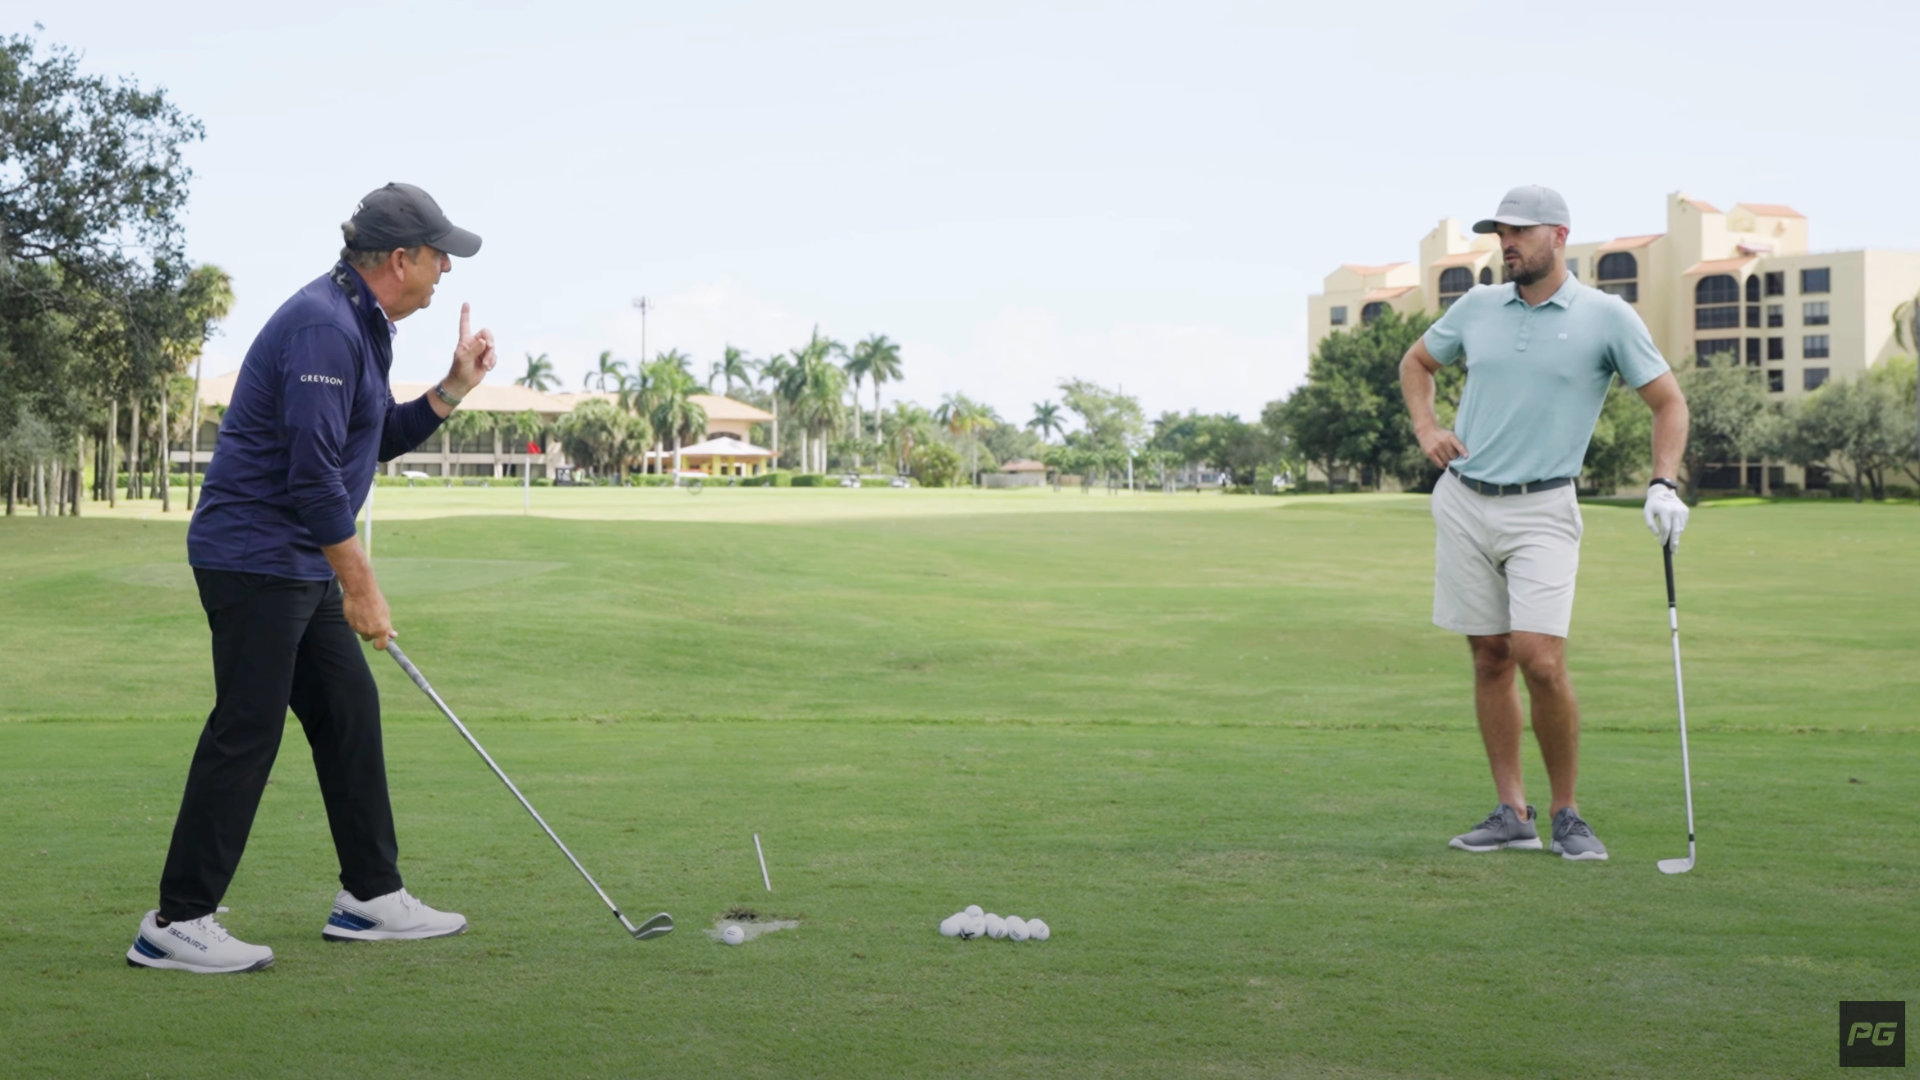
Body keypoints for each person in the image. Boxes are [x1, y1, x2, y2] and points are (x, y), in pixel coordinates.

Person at [127, 184, 498, 973]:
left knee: (349, 711)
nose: (443, 273)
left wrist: (452, 389)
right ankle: (176, 920)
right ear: (401, 259)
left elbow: (368, 442)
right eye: (438, 258)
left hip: (290, 560)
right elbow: (312, 480)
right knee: (248, 728)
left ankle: (370, 898)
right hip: (253, 557)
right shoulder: (324, 329)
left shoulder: (362, 324)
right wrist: (360, 585)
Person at [1398, 184, 1691, 862]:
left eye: (1521, 232)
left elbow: (1668, 403)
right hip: (1465, 499)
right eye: (1500, 232)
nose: (1507, 243)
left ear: (1559, 235)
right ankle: (1512, 812)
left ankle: (1567, 813)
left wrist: (1662, 482)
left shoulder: (1606, 317)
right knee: (1489, 655)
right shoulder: (1475, 306)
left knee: (1541, 659)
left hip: (1544, 507)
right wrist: (1426, 426)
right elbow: (1416, 363)